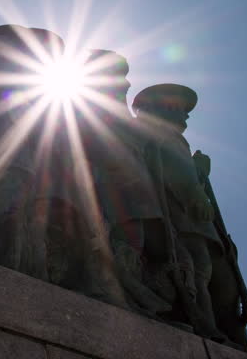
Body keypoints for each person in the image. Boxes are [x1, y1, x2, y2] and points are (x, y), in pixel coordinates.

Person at [78, 50, 172, 315]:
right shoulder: (85, 106)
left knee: (136, 242)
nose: (126, 83)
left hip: (137, 190)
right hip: (107, 184)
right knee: (116, 237)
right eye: (117, 75)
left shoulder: (128, 118)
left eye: (125, 75)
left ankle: (129, 291)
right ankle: (111, 288)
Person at [133, 84, 227, 340]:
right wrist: (195, 190)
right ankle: (199, 319)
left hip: (185, 215)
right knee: (195, 269)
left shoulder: (169, 136)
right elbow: (177, 171)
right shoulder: (159, 133)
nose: (185, 115)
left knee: (199, 270)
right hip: (180, 213)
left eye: (186, 110)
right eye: (178, 108)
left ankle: (204, 321)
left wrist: (199, 170)